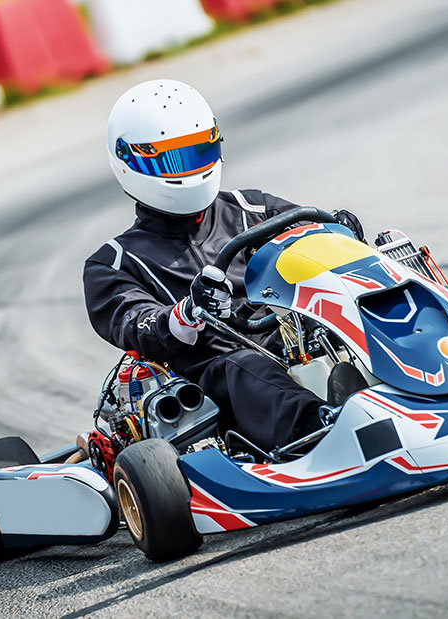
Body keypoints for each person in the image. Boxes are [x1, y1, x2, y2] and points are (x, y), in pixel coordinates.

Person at [83, 79, 365, 453]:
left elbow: (313, 245)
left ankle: (438, 375)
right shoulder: (114, 264)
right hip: (214, 377)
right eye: (173, 159)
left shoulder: (254, 210)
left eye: (199, 151)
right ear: (130, 162)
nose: (191, 170)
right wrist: (186, 313)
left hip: (293, 337)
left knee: (358, 311)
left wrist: (339, 237)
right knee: (243, 366)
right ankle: (323, 430)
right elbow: (137, 322)